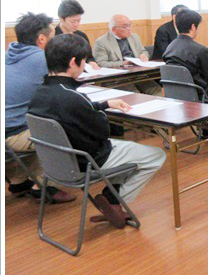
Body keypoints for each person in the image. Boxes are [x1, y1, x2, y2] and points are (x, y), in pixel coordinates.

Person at [28, 34, 166, 228]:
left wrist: (103, 104)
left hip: (56, 163)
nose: (85, 65)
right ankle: (114, 199)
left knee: (128, 153)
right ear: (73, 62)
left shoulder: (39, 93)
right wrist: (101, 114)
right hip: (88, 161)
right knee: (156, 155)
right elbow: (103, 133)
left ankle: (112, 198)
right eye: (84, 61)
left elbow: (73, 111)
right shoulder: (73, 97)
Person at [5, 13, 74, 204]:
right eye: (54, 36)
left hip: (8, 130)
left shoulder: (7, 54)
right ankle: (44, 186)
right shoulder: (44, 58)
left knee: (36, 119)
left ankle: (19, 181)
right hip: (14, 134)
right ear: (42, 39)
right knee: (64, 129)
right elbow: (62, 93)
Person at [163, 9, 208, 141]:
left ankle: (207, 129)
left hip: (176, 94)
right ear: (193, 26)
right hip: (198, 94)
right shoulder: (200, 50)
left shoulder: (169, 48)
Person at [93, 14, 161, 96]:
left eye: (130, 25)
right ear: (114, 29)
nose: (129, 29)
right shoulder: (102, 42)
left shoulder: (134, 37)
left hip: (137, 74)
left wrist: (144, 56)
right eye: (125, 27)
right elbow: (101, 63)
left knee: (156, 90)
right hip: (118, 78)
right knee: (135, 95)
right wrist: (123, 63)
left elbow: (143, 51)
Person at [56, 0, 100, 70]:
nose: (76, 24)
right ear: (61, 18)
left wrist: (91, 62)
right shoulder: (53, 36)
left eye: (79, 20)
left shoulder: (82, 36)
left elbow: (89, 57)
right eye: (72, 21)